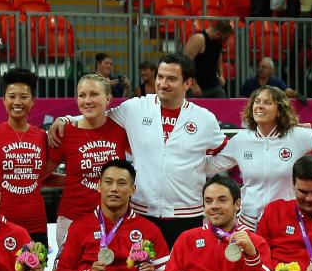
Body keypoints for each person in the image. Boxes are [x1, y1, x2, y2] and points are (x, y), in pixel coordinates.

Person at [47, 54, 225, 246]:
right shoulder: (136, 108)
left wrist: (200, 166)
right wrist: (66, 119)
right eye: (160, 77)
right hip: (141, 212)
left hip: (188, 213)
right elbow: (98, 113)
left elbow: (226, 154)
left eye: (172, 79)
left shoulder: (204, 119)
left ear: (187, 82)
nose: (163, 84)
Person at [205, 86, 312, 228]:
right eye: (257, 102)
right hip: (248, 224)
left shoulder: (297, 135)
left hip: (285, 222)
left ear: (279, 110)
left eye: (267, 102)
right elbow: (210, 165)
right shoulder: (241, 140)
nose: (260, 106)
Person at [44, 74, 130, 249]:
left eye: (94, 94)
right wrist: (68, 180)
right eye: (82, 95)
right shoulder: (64, 132)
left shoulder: (122, 130)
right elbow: (39, 176)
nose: (87, 100)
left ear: (108, 98)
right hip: (72, 220)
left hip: (114, 221)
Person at [0, 69, 51, 246]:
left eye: (24, 97)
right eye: (12, 96)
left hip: (35, 225)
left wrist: (74, 181)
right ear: (3, 100)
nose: (17, 102)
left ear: (33, 101)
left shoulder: (42, 137)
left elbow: (42, 176)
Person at [183, 21, 235, 98]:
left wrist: (221, 75)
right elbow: (185, 62)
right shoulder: (198, 39)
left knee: (222, 98)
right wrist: (193, 85)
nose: (225, 40)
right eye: (225, 38)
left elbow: (218, 56)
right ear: (218, 33)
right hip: (197, 86)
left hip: (212, 85)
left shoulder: (218, 40)